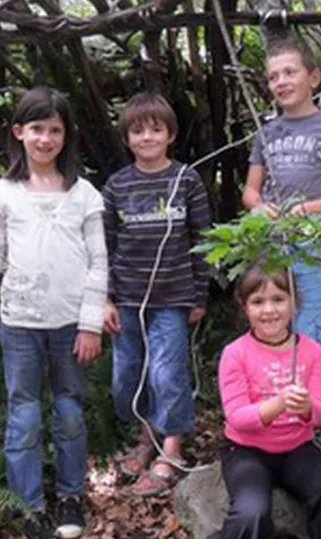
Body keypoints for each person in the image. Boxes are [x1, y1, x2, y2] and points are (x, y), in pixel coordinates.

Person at [0, 87, 106, 539]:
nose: (45, 139)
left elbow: (99, 263)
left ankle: (72, 497)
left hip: (71, 324)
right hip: (19, 324)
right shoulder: (1, 193)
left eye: (55, 130)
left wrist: (91, 323)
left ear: (65, 135)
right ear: (18, 132)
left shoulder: (84, 194)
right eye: (36, 129)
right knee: (25, 415)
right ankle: (29, 506)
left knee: (70, 412)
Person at [241, 35, 321, 396]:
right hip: (271, 241)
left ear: (313, 78)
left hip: (317, 242)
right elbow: (249, 190)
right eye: (273, 77)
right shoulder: (267, 133)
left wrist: (309, 211)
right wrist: (259, 207)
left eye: (289, 72)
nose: (281, 82)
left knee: (315, 322)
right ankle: (272, 398)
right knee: (271, 318)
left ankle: (319, 401)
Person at [101, 92, 212, 496]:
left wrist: (200, 294)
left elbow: (203, 239)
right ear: (127, 138)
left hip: (173, 297)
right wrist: (105, 299)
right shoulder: (117, 186)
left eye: (155, 129)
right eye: (137, 130)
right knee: (127, 375)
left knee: (168, 373)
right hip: (127, 299)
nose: (147, 137)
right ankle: (145, 436)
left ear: (171, 134)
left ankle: (172, 449)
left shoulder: (187, 180)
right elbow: (105, 247)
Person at [217, 264, 321, 539]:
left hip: (297, 448)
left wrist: (306, 409)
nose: (269, 310)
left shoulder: (310, 350)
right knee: (251, 511)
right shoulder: (235, 353)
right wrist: (279, 404)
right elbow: (237, 417)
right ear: (245, 308)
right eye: (258, 302)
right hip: (246, 452)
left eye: (278, 299)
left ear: (295, 302)